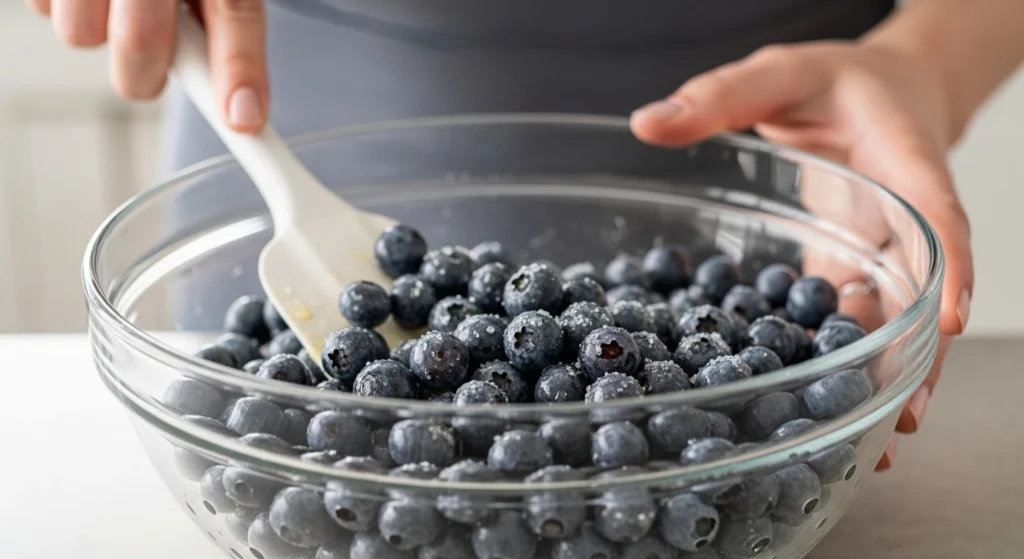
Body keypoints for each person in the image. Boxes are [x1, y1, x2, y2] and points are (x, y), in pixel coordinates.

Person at [29, 0, 1024, 471]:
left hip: (782, 148)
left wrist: (922, 65)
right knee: (280, 422)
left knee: (736, 446)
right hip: (283, 102)